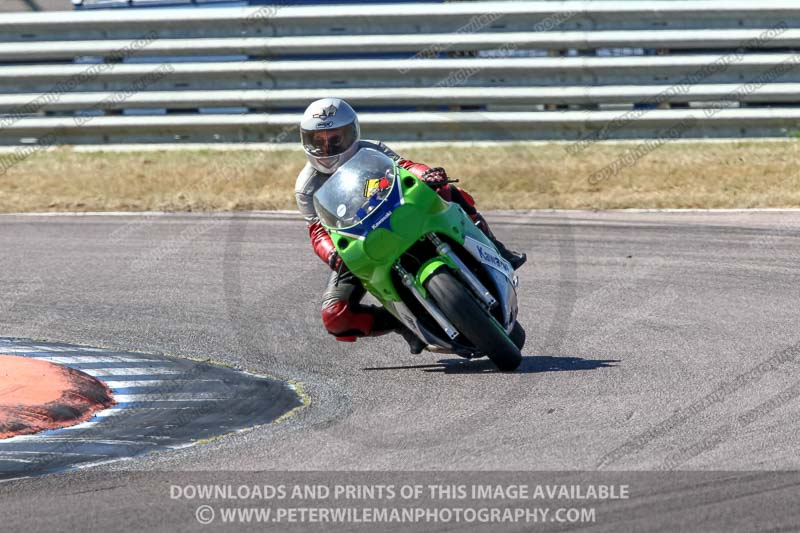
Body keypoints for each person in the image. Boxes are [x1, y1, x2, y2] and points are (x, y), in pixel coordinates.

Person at [295, 98, 526, 353]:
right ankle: (402, 322)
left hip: (401, 216)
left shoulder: (372, 151)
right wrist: (333, 254)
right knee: (335, 315)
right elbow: (316, 229)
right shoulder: (306, 186)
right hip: (359, 245)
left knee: (448, 190)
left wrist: (427, 174)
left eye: (335, 138)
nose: (328, 147)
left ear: (353, 133)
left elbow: (406, 167)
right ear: (307, 141)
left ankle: (496, 248)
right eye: (319, 140)